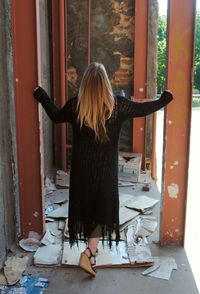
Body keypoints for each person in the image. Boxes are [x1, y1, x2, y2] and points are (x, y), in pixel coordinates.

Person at [33, 62, 173, 277]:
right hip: (106, 172)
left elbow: (54, 115)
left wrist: (40, 94)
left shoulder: (75, 106)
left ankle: (89, 253)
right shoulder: (118, 106)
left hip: (81, 172)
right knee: (101, 210)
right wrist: (164, 99)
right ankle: (90, 251)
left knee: (86, 207)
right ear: (106, 83)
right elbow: (145, 109)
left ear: (85, 85)